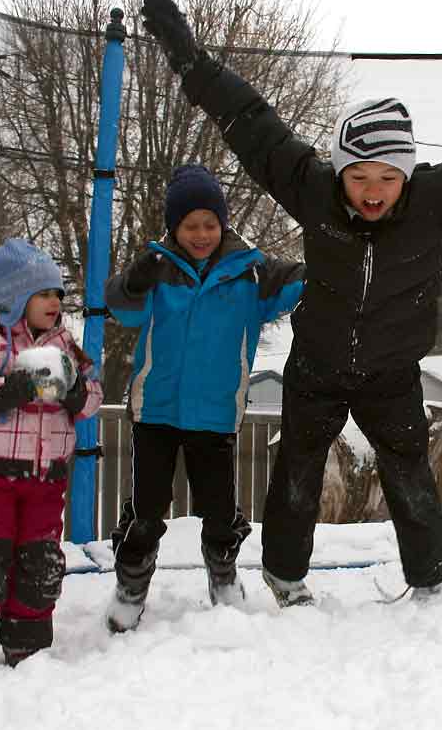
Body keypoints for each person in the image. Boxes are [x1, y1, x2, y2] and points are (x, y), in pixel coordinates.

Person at [139, 0, 442, 607]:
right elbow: (249, 121)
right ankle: (285, 577)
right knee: (297, 472)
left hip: (392, 373)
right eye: (359, 177)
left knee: (410, 474)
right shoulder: (312, 190)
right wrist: (191, 61)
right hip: (317, 367)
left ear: (407, 175)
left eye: (387, 179)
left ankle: (429, 582)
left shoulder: (437, 199)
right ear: (339, 172)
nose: (373, 192)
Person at [103, 163, 305, 631]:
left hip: (216, 415)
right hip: (155, 409)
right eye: (190, 225)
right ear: (174, 228)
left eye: (210, 224)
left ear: (223, 224)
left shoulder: (249, 272)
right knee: (147, 508)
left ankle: (223, 577)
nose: (201, 234)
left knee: (218, 510)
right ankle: (131, 585)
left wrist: (330, 261)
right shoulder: (157, 269)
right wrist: (134, 279)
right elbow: (119, 305)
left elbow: (298, 282)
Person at [0, 239, 103, 674]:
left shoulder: (66, 347)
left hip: (45, 479)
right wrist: (7, 389)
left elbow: (93, 395)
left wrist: (76, 394)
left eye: (57, 293)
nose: (54, 302)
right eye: (43, 293)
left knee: (41, 563)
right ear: (16, 299)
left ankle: (27, 649)